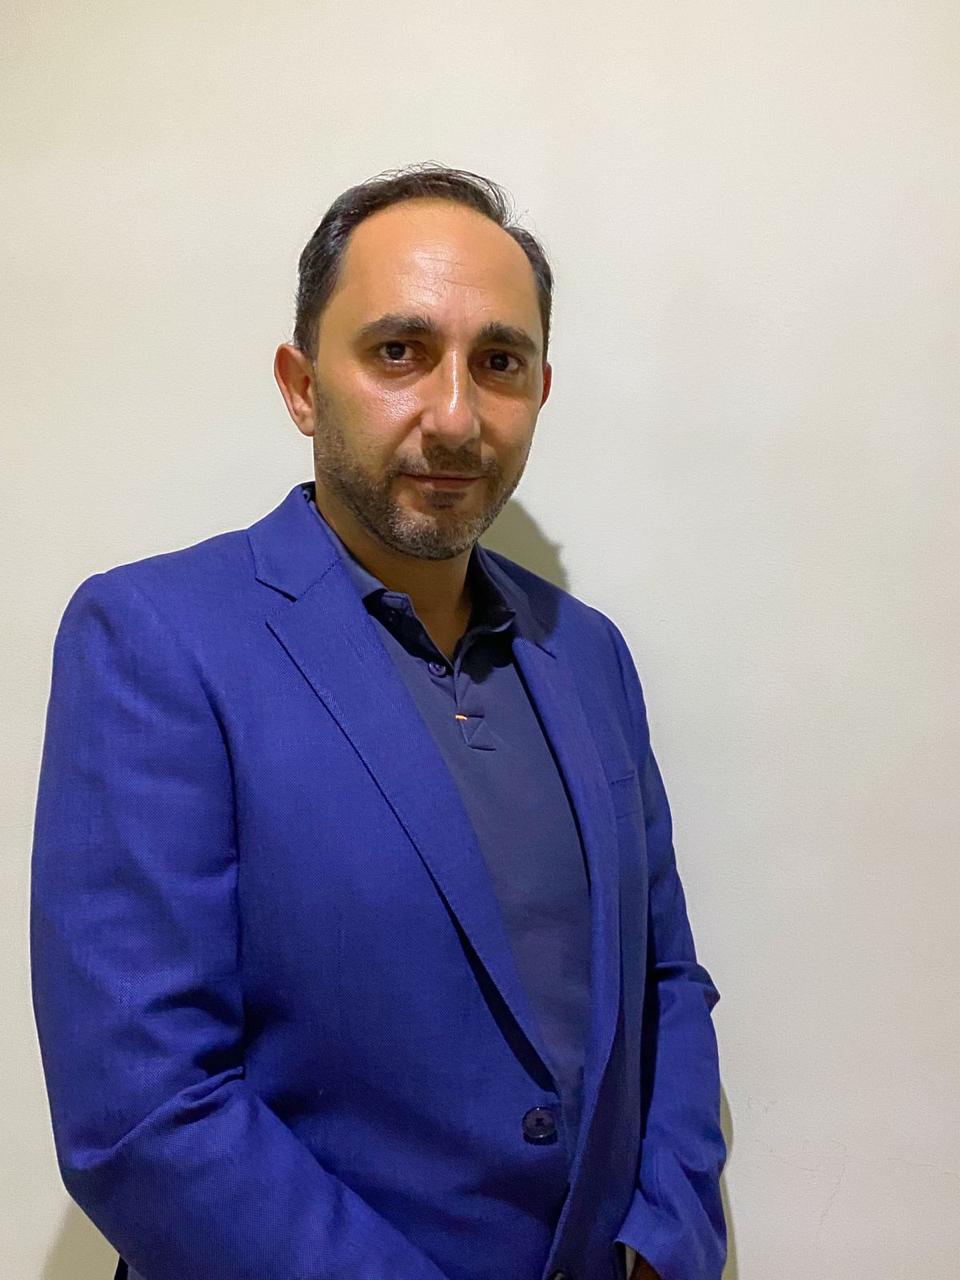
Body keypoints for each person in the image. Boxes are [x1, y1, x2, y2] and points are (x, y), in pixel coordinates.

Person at [30, 163, 727, 1280]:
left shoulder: (588, 653)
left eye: (499, 362)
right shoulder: (155, 638)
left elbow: (666, 981)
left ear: (541, 390)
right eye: (400, 351)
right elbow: (144, 1109)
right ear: (302, 385)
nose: (454, 416)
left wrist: (666, 1237)